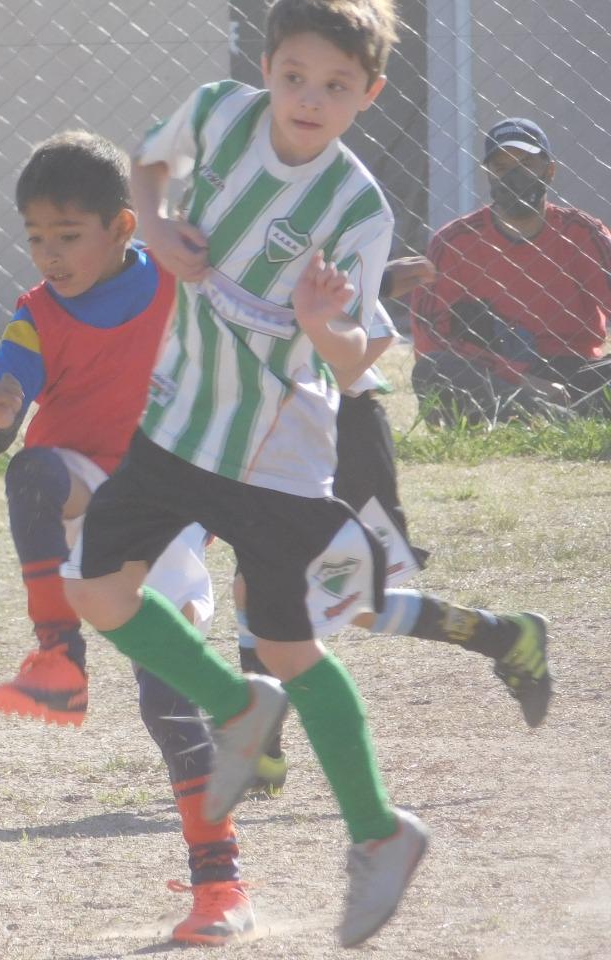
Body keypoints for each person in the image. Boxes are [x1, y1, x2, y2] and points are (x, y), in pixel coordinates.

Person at [60, 1, 428, 947]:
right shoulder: (218, 112)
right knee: (96, 591)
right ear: (266, 68)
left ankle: (379, 834)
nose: (310, 98)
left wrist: (321, 325)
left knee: (293, 649)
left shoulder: (357, 209)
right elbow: (147, 161)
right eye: (295, 75)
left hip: (273, 458)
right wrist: (155, 223)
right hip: (178, 424)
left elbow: (361, 361)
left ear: (369, 94)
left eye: (336, 86)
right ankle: (237, 707)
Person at [0, 131, 252, 946]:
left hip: (162, 501)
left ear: (124, 226)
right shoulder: (37, 311)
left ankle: (220, 884)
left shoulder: (177, 280)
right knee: (31, 472)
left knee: (167, 696)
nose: (49, 255)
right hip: (83, 485)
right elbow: (0, 401)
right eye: (35, 237)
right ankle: (57, 654)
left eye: (68, 235)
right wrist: (0, 407)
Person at [242, 262, 554, 798]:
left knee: (346, 599)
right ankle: (261, 751)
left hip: (340, 436)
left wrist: (308, 378)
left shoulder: (327, 241)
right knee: (260, 584)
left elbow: (378, 335)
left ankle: (503, 635)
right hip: (269, 439)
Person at [410, 118, 611, 423]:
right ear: (489, 174)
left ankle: (545, 421)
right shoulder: (453, 242)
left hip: (577, 374)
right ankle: (565, 422)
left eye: (526, 164)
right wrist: (522, 380)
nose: (514, 176)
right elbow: (430, 337)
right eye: (502, 167)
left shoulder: (583, 233)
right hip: (499, 376)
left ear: (550, 171)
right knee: (433, 369)